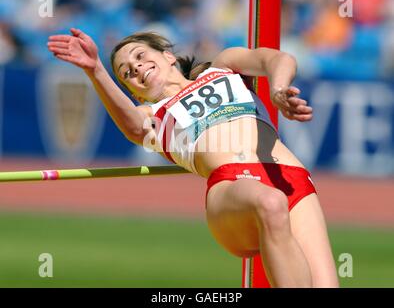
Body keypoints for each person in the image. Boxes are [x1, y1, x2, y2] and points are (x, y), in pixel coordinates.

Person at [47, 28, 339, 288]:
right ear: (134, 92)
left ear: (167, 56)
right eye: (127, 73)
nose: (135, 67)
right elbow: (132, 126)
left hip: (291, 178)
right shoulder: (154, 116)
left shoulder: (223, 67)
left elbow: (276, 59)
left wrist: (278, 89)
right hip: (232, 187)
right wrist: (95, 70)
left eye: (139, 56)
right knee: (269, 202)